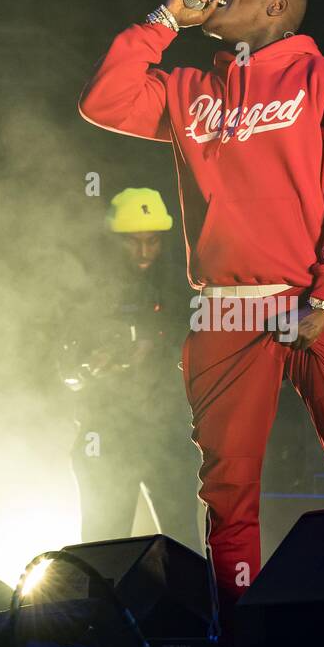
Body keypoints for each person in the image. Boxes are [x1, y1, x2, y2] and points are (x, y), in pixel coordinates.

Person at [79, 0, 324, 647]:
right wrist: (165, 18)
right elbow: (104, 99)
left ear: (277, 6)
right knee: (228, 496)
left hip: (311, 301)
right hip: (224, 308)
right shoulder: (192, 90)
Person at [60, 188, 201, 549]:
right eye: (132, 242)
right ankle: (102, 608)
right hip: (106, 433)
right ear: (114, 241)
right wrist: (87, 367)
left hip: (167, 432)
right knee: (102, 549)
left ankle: (189, 606)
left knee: (182, 546)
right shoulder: (85, 287)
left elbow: (200, 335)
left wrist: (154, 343)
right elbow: (62, 364)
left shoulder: (184, 283)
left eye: (152, 241)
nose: (143, 252)